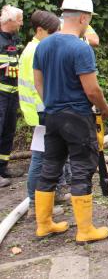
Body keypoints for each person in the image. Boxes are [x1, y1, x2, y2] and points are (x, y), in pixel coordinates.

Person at [33, 0, 108, 243]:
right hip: (77, 117)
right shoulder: (81, 49)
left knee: (50, 167)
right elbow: (91, 89)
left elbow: (38, 84)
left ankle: (44, 225)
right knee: (81, 168)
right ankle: (85, 230)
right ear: (82, 18)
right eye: (89, 17)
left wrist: (53, 103)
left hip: (52, 116)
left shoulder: (42, 45)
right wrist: (106, 108)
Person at [18, 11, 64, 215]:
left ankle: (49, 197)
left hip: (41, 110)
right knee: (40, 157)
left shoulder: (37, 47)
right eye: (52, 32)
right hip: (41, 111)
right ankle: (36, 205)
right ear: (39, 30)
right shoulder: (36, 51)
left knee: (49, 154)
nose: (56, 36)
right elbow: (40, 85)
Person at [0, 5, 24, 187]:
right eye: (19, 19)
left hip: (12, 94)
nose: (21, 23)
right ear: (10, 21)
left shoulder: (13, 39)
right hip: (0, 95)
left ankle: (3, 166)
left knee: (8, 131)